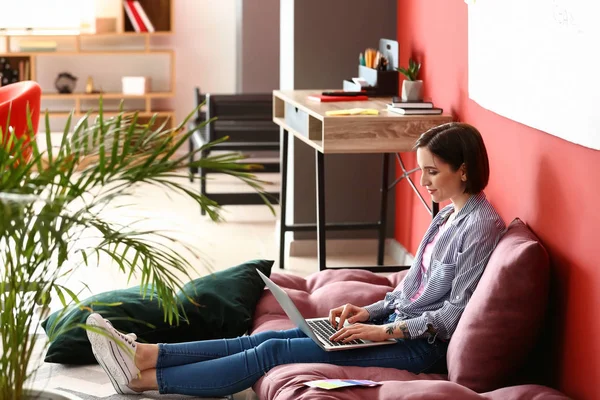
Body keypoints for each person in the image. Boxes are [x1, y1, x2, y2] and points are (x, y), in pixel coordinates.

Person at [86, 122, 506, 397]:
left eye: (432, 171)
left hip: (417, 348)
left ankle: (144, 380)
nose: (424, 181)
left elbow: (450, 315)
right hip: (391, 325)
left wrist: (383, 332)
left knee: (271, 354)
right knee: (264, 339)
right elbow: (412, 287)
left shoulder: (480, 225)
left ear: (464, 170)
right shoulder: (450, 212)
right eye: (421, 171)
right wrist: (369, 311)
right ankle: (146, 353)